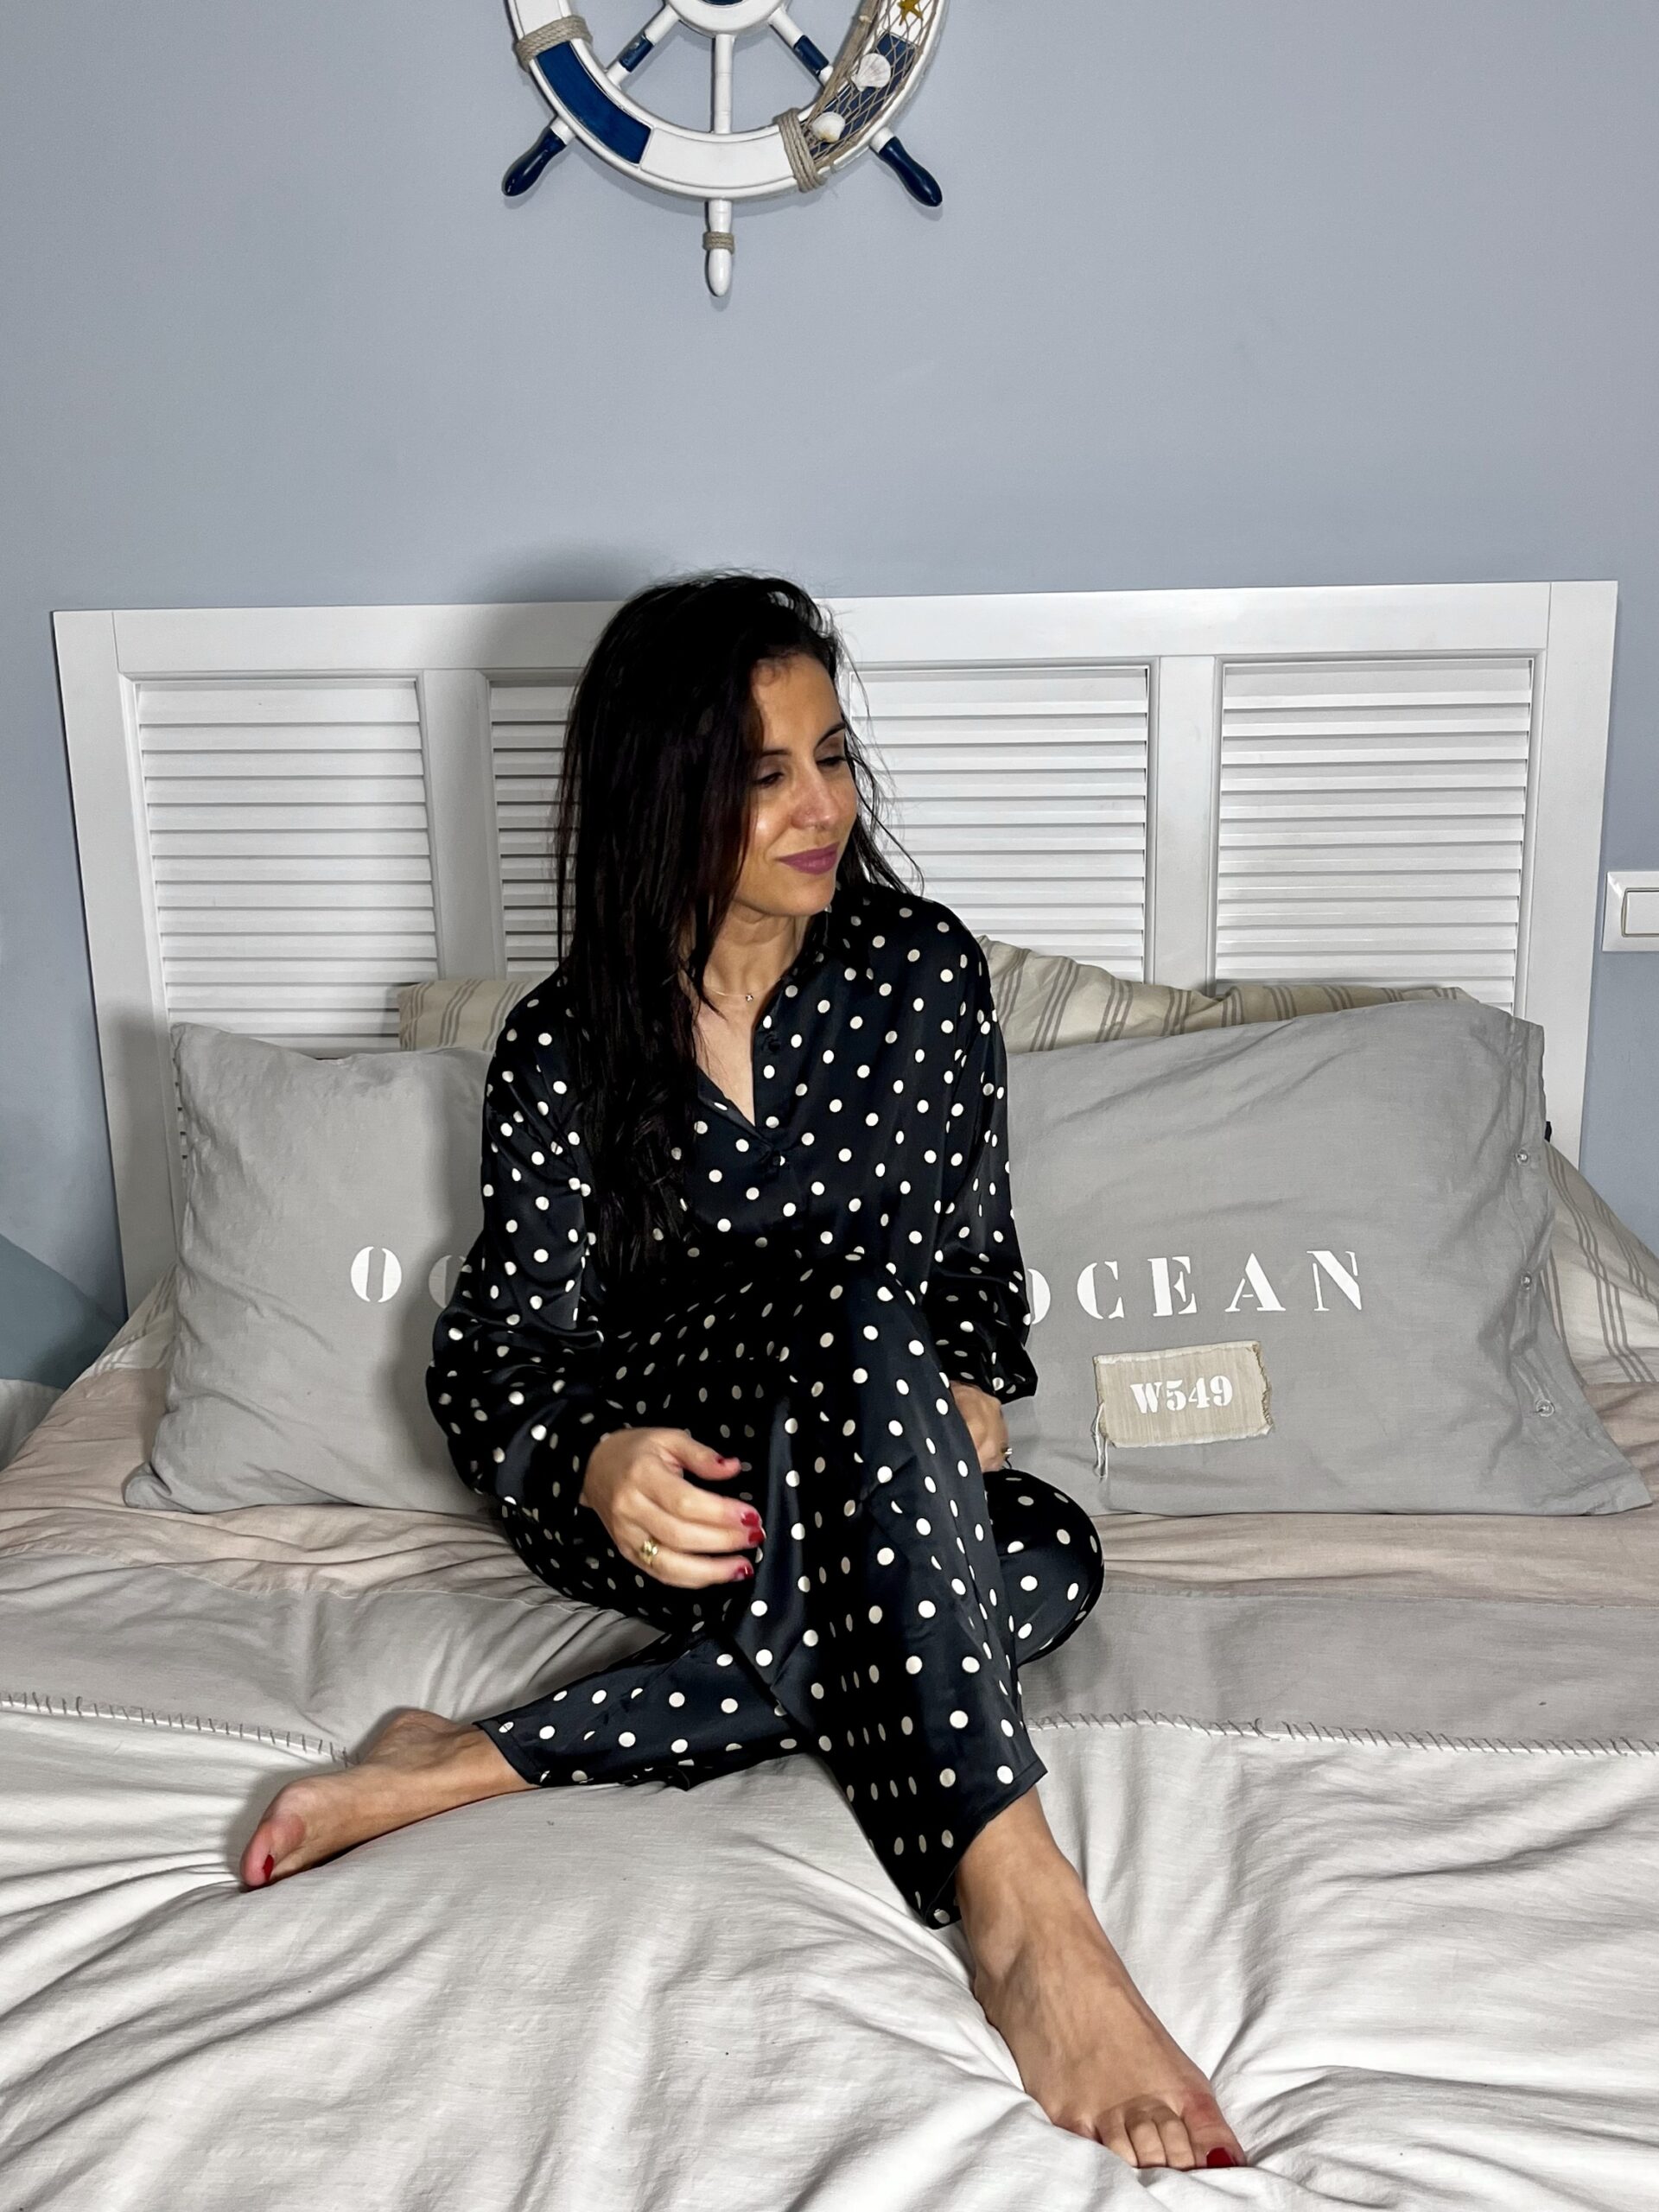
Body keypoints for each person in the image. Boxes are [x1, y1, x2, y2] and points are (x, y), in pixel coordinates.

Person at [239, 573, 1247, 2173]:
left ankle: (475, 1758)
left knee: (1050, 1553)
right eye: (765, 774)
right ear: (665, 796)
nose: (822, 807)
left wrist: (965, 1385)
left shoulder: (920, 976)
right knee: (846, 1300)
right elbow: (496, 1357)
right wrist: (591, 1461)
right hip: (668, 1490)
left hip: (862, 1469)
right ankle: (1024, 1906)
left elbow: (974, 1270)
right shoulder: (566, 1043)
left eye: (832, 757)